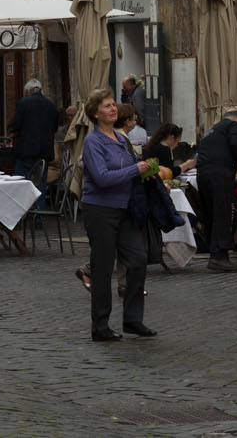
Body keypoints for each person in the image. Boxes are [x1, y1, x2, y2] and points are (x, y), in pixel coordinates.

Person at [79, 87, 156, 342]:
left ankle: (133, 319)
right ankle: (100, 325)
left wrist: (147, 174)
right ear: (95, 113)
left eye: (113, 104)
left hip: (125, 208)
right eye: (107, 106)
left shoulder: (121, 140)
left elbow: (131, 169)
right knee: (102, 267)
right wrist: (135, 170)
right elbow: (102, 178)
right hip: (100, 209)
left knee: (138, 259)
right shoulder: (93, 142)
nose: (113, 109)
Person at [192, 107, 237, 274]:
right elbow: (236, 144)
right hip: (219, 175)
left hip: (202, 174)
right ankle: (220, 257)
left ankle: (214, 253)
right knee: (222, 214)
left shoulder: (211, 131)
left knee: (210, 214)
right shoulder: (234, 125)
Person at [9, 78, 60, 192]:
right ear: (41, 90)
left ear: (29, 91)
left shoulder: (24, 102)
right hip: (44, 153)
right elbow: (55, 128)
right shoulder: (51, 104)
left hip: (26, 151)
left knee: (20, 184)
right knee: (40, 185)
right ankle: (39, 204)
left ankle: (23, 203)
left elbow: (16, 125)